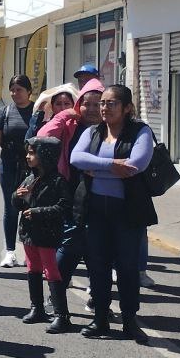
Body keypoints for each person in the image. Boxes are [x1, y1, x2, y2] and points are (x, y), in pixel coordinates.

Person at [69, 84, 156, 343]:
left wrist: (95, 168)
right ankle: (100, 319)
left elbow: (135, 165)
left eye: (111, 103)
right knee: (97, 265)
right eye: (102, 103)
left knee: (128, 267)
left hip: (127, 210)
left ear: (127, 108)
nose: (104, 108)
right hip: (95, 207)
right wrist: (111, 165)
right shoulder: (93, 131)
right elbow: (76, 158)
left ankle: (130, 320)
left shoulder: (141, 132)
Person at [39, 78, 105, 295]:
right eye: (86, 103)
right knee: (68, 248)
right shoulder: (71, 125)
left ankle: (97, 298)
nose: (92, 109)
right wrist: (65, 114)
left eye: (98, 103)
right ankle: (56, 297)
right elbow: (43, 137)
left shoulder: (111, 128)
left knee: (99, 253)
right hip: (74, 196)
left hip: (105, 198)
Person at [11, 136, 73, 333]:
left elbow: (63, 207)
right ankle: (36, 308)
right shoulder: (30, 177)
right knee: (33, 269)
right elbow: (18, 203)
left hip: (47, 234)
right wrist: (16, 196)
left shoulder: (57, 181)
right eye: (28, 152)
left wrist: (38, 212)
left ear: (45, 155)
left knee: (51, 272)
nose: (28, 156)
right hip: (29, 234)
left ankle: (61, 315)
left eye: (32, 152)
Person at [0, 74, 34, 268]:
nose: (15, 93)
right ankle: (10, 252)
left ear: (29, 91)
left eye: (19, 89)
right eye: (12, 89)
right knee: (11, 209)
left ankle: (30, 252)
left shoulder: (37, 111)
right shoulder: (5, 112)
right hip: (9, 166)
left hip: (32, 170)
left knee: (31, 210)